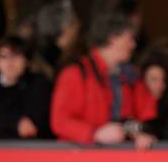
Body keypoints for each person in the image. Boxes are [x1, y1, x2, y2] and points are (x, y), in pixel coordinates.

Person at [50, 9, 157, 149]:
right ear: (113, 38)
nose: (133, 45)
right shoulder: (76, 74)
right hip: (81, 160)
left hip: (122, 159)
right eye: (129, 38)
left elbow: (147, 115)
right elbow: (60, 121)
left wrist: (141, 133)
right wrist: (94, 134)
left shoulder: (132, 76)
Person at [0, 36, 52, 139]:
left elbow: (34, 125)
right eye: (3, 56)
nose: (9, 62)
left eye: (15, 55)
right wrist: (15, 123)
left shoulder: (39, 84)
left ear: (27, 60)